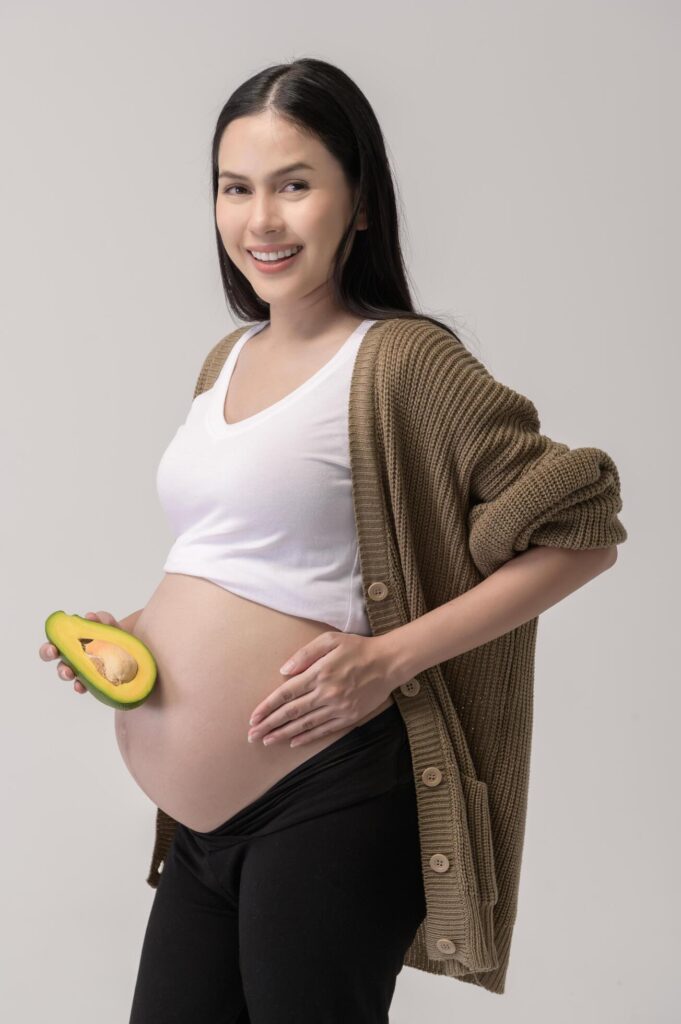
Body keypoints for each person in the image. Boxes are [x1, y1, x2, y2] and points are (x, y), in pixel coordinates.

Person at [39, 57, 627, 1019]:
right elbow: (242, 560)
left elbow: (582, 530)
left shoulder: (400, 360)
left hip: (329, 798)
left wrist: (386, 659)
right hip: (200, 830)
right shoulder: (225, 360)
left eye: (294, 185)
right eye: (236, 188)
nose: (259, 220)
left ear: (357, 204)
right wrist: (135, 632)